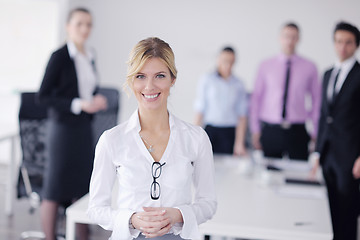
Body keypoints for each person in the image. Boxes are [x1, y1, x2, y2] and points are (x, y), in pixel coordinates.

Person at [87, 37, 217, 239]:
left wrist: (180, 214)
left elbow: (208, 203)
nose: (149, 86)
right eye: (140, 76)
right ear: (131, 80)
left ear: (172, 79)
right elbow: (96, 208)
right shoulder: (111, 140)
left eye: (159, 76)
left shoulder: (196, 138)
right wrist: (132, 219)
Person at [38, 8, 107, 240]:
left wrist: (96, 100)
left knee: (82, 187)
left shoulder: (90, 54)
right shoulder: (59, 56)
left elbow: (88, 88)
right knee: (55, 187)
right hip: (63, 130)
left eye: (88, 24)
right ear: (68, 26)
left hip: (83, 129)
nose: (85, 29)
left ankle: (81, 237)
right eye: (79, 24)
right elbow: (43, 96)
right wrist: (79, 104)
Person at [313, 21, 360, 240]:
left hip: (351, 155)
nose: (343, 47)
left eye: (348, 43)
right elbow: (324, 116)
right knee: (328, 211)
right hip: (327, 153)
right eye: (339, 41)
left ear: (356, 46)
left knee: (347, 211)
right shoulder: (327, 74)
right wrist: (317, 152)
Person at [250, 22, 321, 160]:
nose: (290, 41)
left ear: (298, 39)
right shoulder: (265, 66)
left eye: (294, 37)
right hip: (271, 130)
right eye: (286, 36)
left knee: (298, 176)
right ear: (279, 38)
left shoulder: (310, 67)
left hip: (297, 131)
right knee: (269, 176)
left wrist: (316, 131)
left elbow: (316, 100)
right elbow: (256, 98)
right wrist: (255, 129)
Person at [194, 47, 248, 155]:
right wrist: (195, 139)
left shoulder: (239, 84)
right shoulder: (207, 80)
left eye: (231, 62)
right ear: (218, 60)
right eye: (224, 61)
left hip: (229, 132)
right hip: (210, 130)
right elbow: (200, 109)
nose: (227, 65)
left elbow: (242, 115)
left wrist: (239, 143)